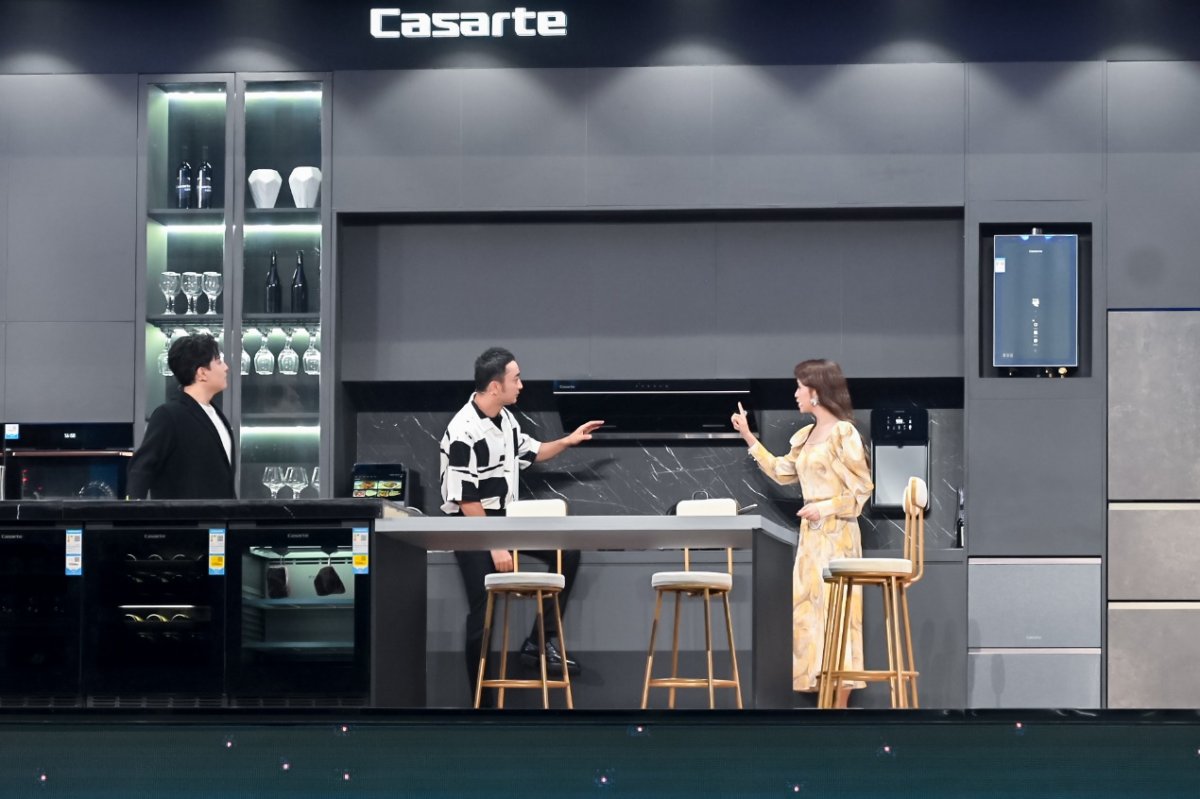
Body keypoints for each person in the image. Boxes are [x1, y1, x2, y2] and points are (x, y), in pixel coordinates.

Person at [439, 347, 603, 703]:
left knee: (567, 553)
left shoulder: (506, 420)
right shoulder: (463, 431)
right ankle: (480, 704)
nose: (521, 385)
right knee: (483, 612)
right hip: (471, 527)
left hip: (506, 520)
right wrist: (495, 544)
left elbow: (533, 451)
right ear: (495, 386)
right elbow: (466, 500)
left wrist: (568, 441)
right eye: (516, 379)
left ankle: (538, 641)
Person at [730, 358, 872, 708]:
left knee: (837, 613)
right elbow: (782, 471)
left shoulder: (843, 433)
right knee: (810, 613)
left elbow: (862, 489)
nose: (795, 394)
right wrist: (748, 436)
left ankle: (839, 703)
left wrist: (825, 507)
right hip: (811, 538)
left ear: (816, 391)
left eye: (799, 387)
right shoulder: (807, 436)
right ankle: (823, 701)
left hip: (837, 535)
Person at [127, 333, 236, 500]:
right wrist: (131, 512)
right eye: (218, 361)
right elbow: (141, 469)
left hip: (222, 516)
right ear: (202, 373)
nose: (226, 367)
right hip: (183, 517)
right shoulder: (168, 415)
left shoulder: (218, 416)